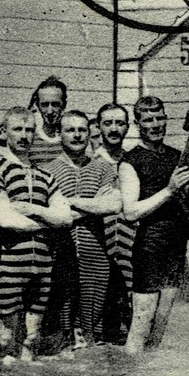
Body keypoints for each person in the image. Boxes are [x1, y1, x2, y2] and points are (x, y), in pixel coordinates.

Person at [0, 106, 75, 359]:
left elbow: (65, 217)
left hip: (43, 266)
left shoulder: (46, 176)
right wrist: (47, 221)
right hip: (9, 267)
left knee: (32, 338)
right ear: (4, 132)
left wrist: (33, 210)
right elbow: (6, 219)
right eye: (17, 129)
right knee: (5, 339)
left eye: (29, 130)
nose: (24, 135)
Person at [118, 95, 189, 353]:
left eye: (160, 118)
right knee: (140, 327)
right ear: (138, 124)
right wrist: (170, 190)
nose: (156, 124)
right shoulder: (131, 161)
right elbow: (130, 212)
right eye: (148, 119)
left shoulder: (178, 157)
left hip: (176, 249)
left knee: (160, 329)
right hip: (150, 248)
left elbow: (188, 204)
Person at [46, 110, 123, 350]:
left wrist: (69, 202)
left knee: (91, 329)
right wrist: (93, 205)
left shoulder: (103, 169)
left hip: (96, 257)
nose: (77, 135)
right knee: (61, 328)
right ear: (60, 134)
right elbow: (52, 213)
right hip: (60, 256)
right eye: (70, 130)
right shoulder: (47, 171)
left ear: (90, 133)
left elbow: (113, 204)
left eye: (82, 130)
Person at [94, 102, 136, 342]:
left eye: (119, 123)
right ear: (99, 126)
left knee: (129, 306)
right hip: (100, 244)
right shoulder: (90, 161)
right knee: (102, 307)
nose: (113, 128)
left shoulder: (134, 160)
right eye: (108, 123)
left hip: (130, 244)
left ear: (127, 127)